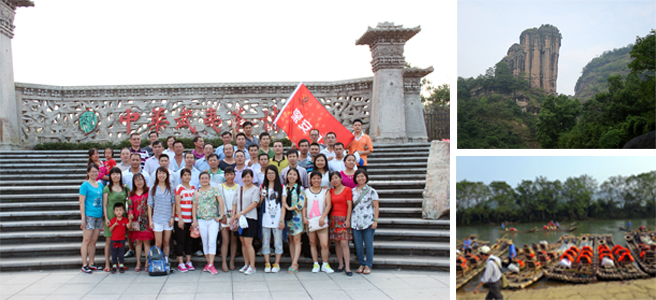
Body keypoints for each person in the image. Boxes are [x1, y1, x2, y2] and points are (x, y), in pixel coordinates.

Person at [192, 171, 225, 275]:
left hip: (212, 220)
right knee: (205, 242)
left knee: (212, 241)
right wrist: (194, 220)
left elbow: (221, 202)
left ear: (209, 179)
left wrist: (220, 215)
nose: (204, 180)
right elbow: (194, 207)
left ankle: (211, 264)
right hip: (201, 220)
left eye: (206, 178)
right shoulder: (196, 192)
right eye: (202, 178)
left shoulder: (215, 190)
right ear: (200, 180)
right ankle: (209, 263)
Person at [303, 171, 334, 274]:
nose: (316, 180)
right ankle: (315, 263)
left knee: (324, 244)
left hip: (322, 221)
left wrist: (323, 217)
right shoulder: (306, 191)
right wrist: (304, 217)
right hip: (311, 221)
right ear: (311, 180)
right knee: (312, 243)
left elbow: (328, 205)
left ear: (321, 180)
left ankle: (325, 263)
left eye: (318, 178)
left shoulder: (325, 191)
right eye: (314, 178)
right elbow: (304, 205)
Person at [351, 169, 379, 274]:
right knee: (358, 244)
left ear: (366, 177)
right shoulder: (352, 191)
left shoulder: (371, 191)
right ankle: (361, 263)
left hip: (368, 221)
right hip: (355, 221)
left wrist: (375, 220)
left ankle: (368, 265)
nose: (360, 178)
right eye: (358, 176)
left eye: (362, 176)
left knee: (368, 244)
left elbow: (376, 207)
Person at [102, 168, 130, 272]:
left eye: (117, 174)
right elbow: (104, 204)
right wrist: (106, 218)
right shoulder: (107, 188)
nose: (115, 176)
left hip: (123, 217)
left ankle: (119, 263)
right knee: (109, 240)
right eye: (113, 174)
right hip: (111, 217)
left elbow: (129, 202)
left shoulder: (125, 187)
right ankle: (107, 263)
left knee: (121, 240)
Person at [259, 165, 286, 273]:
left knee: (278, 242)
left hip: (278, 218)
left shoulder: (282, 187)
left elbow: (283, 204)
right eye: (268, 173)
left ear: (276, 174)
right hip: (265, 218)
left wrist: (282, 220)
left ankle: (277, 263)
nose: (270, 175)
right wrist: (262, 196)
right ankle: (267, 263)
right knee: (265, 242)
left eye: (272, 173)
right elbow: (259, 203)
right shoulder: (262, 186)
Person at [233, 169, 260, 275]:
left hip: (250, 218)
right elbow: (234, 203)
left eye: (249, 177)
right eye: (244, 177)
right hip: (240, 218)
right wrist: (233, 215)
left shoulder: (255, 189)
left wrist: (242, 212)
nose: (246, 179)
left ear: (252, 178)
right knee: (243, 243)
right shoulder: (239, 189)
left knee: (248, 243)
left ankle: (252, 266)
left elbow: (254, 203)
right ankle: (246, 264)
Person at [79, 164, 104, 273]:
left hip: (99, 216)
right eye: (92, 172)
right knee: (87, 240)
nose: (94, 174)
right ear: (88, 173)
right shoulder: (85, 185)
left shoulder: (100, 185)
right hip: (89, 215)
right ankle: (84, 263)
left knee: (94, 241)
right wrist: (83, 218)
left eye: (96, 171)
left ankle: (92, 262)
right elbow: (81, 202)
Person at [126, 173, 153, 272]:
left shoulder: (149, 191)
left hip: (146, 221)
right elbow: (129, 207)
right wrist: (130, 214)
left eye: (140, 179)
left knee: (147, 242)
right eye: (136, 180)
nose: (139, 182)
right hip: (136, 221)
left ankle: (147, 262)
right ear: (133, 182)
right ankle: (138, 262)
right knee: (138, 242)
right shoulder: (131, 194)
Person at [148, 167, 175, 260]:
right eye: (159, 173)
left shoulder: (171, 188)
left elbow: (173, 202)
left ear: (167, 175)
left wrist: (172, 217)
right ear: (156, 175)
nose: (161, 175)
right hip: (157, 219)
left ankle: (166, 261)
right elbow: (150, 205)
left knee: (166, 242)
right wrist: (150, 220)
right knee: (158, 243)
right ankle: (157, 261)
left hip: (168, 219)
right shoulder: (153, 188)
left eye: (163, 173)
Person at [329, 171, 353, 276]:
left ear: (340, 178)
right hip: (333, 219)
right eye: (332, 179)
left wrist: (348, 219)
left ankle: (348, 267)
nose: (335, 180)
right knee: (337, 243)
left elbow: (349, 206)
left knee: (344, 243)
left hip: (343, 219)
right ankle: (340, 264)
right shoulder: (331, 191)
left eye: (336, 178)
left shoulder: (347, 190)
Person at [174, 168, 197, 273]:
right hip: (181, 219)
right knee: (180, 241)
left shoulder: (193, 188)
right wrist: (180, 219)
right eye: (185, 175)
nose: (187, 177)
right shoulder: (179, 188)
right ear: (181, 177)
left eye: (189, 175)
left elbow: (194, 204)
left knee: (189, 241)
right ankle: (180, 263)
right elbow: (178, 204)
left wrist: (194, 219)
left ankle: (188, 261)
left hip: (190, 219)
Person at [283, 168, 305, 273]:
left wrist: (290, 207)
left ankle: (295, 263)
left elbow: (301, 204)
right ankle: (293, 261)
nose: (291, 176)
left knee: (297, 239)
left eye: (294, 174)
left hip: (297, 217)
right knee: (290, 239)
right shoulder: (284, 188)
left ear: (297, 177)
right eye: (290, 174)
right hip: (287, 218)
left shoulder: (300, 189)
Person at [219, 167, 239, 271]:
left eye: (231, 174)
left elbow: (238, 202)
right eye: (228, 174)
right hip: (224, 216)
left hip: (234, 216)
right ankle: (223, 262)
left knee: (234, 239)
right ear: (225, 176)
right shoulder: (220, 187)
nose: (230, 176)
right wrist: (222, 215)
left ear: (234, 175)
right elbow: (219, 202)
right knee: (225, 240)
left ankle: (231, 261)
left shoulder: (238, 187)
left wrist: (234, 215)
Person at [109, 202, 132, 273]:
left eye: (120, 210)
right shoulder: (113, 220)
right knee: (114, 253)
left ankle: (121, 265)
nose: (118, 212)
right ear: (114, 212)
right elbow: (110, 229)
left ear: (123, 211)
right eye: (117, 210)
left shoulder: (125, 219)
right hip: (114, 240)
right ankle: (114, 266)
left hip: (121, 240)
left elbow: (128, 226)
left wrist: (130, 219)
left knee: (121, 253)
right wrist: (114, 225)